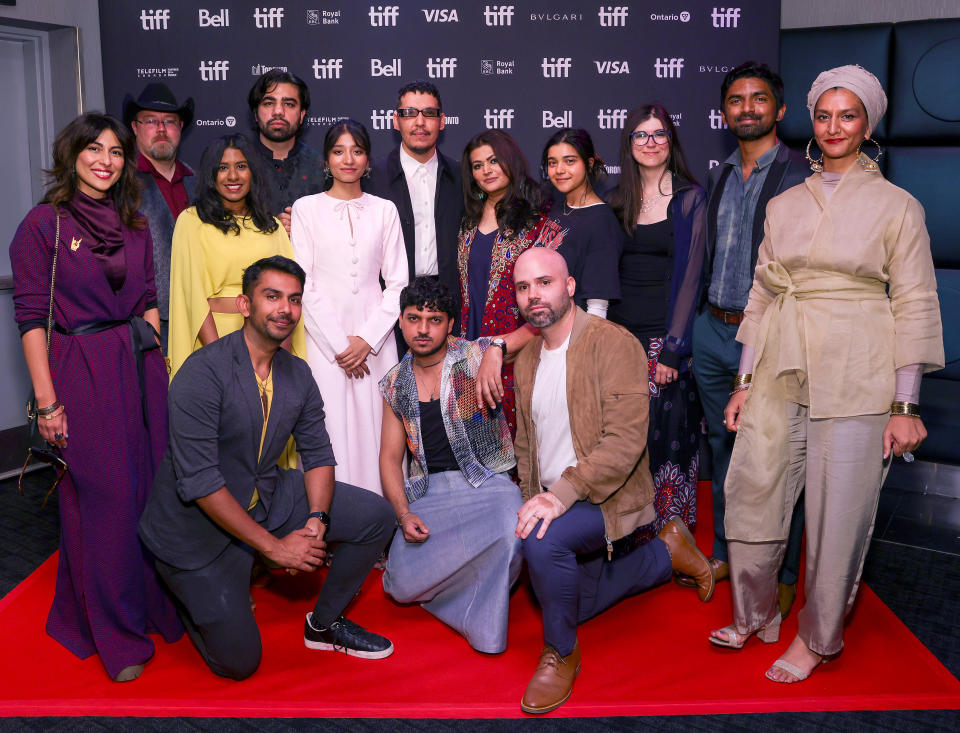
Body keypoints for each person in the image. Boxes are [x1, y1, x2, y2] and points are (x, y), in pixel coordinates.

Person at [710, 65, 943, 684]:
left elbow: (915, 301)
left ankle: (817, 637)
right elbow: (760, 296)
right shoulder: (785, 202)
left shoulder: (900, 206)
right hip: (780, 362)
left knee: (838, 511)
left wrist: (906, 405)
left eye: (849, 115)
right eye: (824, 114)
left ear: (868, 125)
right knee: (753, 488)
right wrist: (742, 383)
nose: (834, 126)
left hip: (858, 367)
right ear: (809, 121)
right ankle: (755, 612)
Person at [139, 256, 396, 680]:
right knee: (239, 664)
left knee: (376, 516)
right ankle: (194, 595)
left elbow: (318, 454)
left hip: (265, 495)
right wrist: (274, 549)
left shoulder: (297, 372)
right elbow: (201, 482)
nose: (285, 309)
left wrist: (317, 519)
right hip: (195, 530)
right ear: (244, 305)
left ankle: (325, 624)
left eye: (294, 299)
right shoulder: (202, 372)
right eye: (272, 296)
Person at [10, 112, 182, 682]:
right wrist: (47, 401)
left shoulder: (133, 221)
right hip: (79, 372)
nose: (105, 160)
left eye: (113, 150)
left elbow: (149, 295)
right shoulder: (44, 225)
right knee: (104, 501)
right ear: (73, 154)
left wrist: (153, 354)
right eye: (94, 149)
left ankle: (153, 605)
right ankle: (113, 630)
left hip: (138, 370)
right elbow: (32, 317)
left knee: (149, 491)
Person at [510, 247, 714, 714]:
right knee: (567, 594)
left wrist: (558, 497)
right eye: (523, 287)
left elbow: (624, 443)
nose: (534, 295)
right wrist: (529, 500)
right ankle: (667, 551)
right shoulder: (527, 360)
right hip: (556, 496)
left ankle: (561, 653)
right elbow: (525, 445)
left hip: (608, 495)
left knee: (543, 546)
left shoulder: (614, 343)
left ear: (570, 286)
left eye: (545, 282)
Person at [690, 62, 809, 612]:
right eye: (736, 100)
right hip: (714, 332)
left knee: (778, 456)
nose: (747, 108)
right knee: (724, 450)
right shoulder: (717, 176)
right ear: (723, 112)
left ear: (779, 109)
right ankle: (725, 552)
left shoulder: (801, 175)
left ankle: (783, 572)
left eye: (758, 99)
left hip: (770, 337)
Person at [379, 277, 522, 653]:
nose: (422, 329)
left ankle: (480, 615)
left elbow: (533, 331)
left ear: (451, 324)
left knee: (511, 536)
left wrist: (497, 348)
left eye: (434, 319)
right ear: (401, 322)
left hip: (487, 487)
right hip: (430, 495)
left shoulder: (475, 355)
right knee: (399, 585)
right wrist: (403, 513)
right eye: (413, 319)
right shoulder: (394, 383)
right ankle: (472, 586)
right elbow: (390, 459)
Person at [290, 120, 407, 496]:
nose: (348, 159)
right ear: (326, 159)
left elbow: (399, 284)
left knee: (380, 428)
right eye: (339, 151)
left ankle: (386, 523)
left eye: (356, 150)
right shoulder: (307, 209)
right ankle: (333, 523)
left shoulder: (385, 210)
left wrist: (367, 340)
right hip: (325, 340)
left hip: (377, 338)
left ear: (367, 159)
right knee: (331, 428)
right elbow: (303, 282)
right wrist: (341, 345)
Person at [606, 105, 705, 539]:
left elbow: (692, 276)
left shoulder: (690, 198)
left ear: (671, 141)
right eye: (640, 135)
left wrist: (672, 348)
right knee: (623, 438)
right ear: (628, 144)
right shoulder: (614, 200)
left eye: (659, 134)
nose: (650, 142)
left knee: (666, 441)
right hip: (619, 339)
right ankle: (628, 531)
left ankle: (671, 536)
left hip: (664, 342)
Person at [167, 134, 304, 377]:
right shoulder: (191, 221)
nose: (233, 176)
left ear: (253, 173)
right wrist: (222, 362)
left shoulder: (272, 226)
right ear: (211, 175)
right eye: (223, 168)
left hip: (270, 343)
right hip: (215, 341)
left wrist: (276, 359)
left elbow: (290, 298)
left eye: (241, 166)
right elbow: (193, 297)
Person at [458, 129, 547, 434]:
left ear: (510, 160)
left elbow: (544, 302)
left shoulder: (536, 219)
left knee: (518, 449)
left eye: (494, 160)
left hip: (517, 352)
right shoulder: (468, 220)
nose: (486, 170)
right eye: (478, 165)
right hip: (469, 355)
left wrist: (502, 347)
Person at [366, 81, 464, 339]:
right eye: (409, 113)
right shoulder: (371, 177)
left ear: (442, 121)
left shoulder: (461, 176)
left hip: (448, 303)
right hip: (387, 305)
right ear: (395, 121)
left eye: (429, 113)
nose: (419, 122)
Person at [123, 82, 196, 351]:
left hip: (200, 316)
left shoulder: (198, 182)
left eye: (170, 121)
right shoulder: (120, 183)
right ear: (135, 127)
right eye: (151, 121)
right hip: (145, 321)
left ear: (181, 128)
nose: (161, 129)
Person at [535, 128, 622, 318]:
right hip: (546, 330)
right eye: (552, 163)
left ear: (589, 164)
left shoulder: (601, 221)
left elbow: (597, 309)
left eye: (570, 161)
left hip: (573, 336)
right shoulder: (558, 207)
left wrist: (583, 347)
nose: (559, 170)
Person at [247, 69, 326, 234]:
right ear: (255, 113)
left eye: (288, 104)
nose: (278, 111)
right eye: (269, 103)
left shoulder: (321, 168)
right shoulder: (238, 166)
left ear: (302, 115)